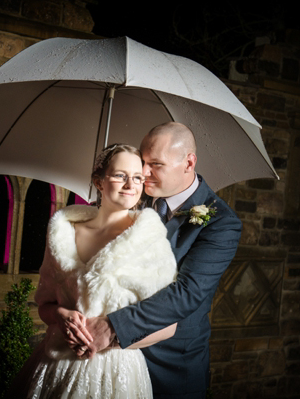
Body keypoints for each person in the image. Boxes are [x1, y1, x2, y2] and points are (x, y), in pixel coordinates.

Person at [80, 122, 243, 398]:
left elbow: (187, 294)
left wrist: (112, 327)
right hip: (112, 363)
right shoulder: (133, 198)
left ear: (188, 163)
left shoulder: (220, 223)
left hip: (171, 366)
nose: (143, 173)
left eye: (155, 164)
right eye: (142, 161)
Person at [9, 144, 178, 398]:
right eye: (120, 175)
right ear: (98, 181)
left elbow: (168, 325)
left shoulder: (150, 241)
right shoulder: (63, 233)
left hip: (117, 372)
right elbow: (45, 306)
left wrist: (111, 337)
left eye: (138, 177)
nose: (130, 184)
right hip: (56, 366)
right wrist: (60, 314)